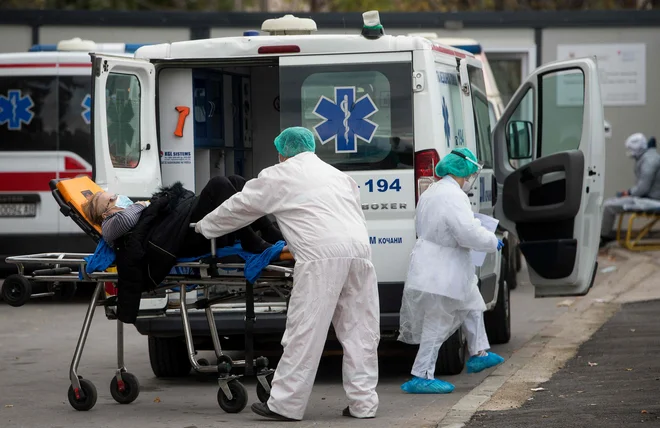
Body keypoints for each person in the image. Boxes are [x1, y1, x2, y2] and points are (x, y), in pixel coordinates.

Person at [195, 127, 380, 421]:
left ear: (283, 152)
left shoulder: (280, 175)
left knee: (304, 332)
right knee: (360, 332)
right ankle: (363, 404)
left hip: (321, 258)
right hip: (360, 254)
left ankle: (285, 405)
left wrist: (204, 226)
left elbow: (241, 205)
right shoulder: (338, 175)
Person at [81, 175, 284, 324]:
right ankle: (251, 240)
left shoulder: (124, 213)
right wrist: (144, 205)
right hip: (181, 238)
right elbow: (126, 220)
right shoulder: (111, 224)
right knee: (218, 185)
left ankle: (269, 233)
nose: (119, 198)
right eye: (113, 198)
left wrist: (148, 206)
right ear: (105, 210)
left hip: (179, 226)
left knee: (237, 182)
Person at [398, 148, 505, 394]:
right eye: (469, 174)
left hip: (441, 266)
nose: (470, 179)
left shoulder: (434, 191)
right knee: (437, 322)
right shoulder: (453, 196)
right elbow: (465, 231)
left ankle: (479, 352)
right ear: (463, 171)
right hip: (442, 271)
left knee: (473, 304)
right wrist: (490, 241)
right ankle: (421, 375)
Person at [600, 133, 660, 247]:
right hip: (648, 197)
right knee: (611, 202)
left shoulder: (650, 161)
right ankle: (605, 234)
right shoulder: (648, 157)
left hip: (652, 200)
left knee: (608, 206)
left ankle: (603, 237)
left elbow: (643, 188)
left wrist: (628, 193)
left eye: (630, 149)